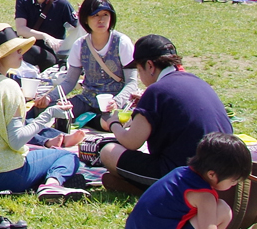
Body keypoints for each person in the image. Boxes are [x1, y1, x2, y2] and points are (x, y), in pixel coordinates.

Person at [0, 24, 83, 198]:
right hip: (1, 176)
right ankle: (51, 185)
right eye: (16, 49)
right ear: (0, 55)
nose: (22, 52)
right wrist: (49, 114)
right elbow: (16, 141)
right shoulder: (8, 86)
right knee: (67, 157)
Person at [119, 134, 257, 229]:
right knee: (223, 210)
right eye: (234, 180)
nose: (234, 184)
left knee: (215, 213)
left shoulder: (181, 173)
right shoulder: (204, 196)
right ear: (212, 174)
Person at [97, 35, 233, 193]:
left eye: (139, 70)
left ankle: (144, 189)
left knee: (108, 152)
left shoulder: (156, 91)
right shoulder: (196, 81)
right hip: (223, 172)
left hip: (184, 175)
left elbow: (131, 142)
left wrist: (114, 123)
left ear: (150, 66)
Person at [61, 0, 134, 96]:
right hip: (88, 98)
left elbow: (132, 82)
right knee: (50, 111)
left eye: (105, 15)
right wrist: (49, 98)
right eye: (96, 15)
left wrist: (116, 102)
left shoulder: (122, 42)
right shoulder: (80, 45)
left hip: (115, 101)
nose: (101, 20)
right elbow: (69, 82)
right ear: (85, 19)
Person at [15, 0, 77, 71]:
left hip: (52, 53)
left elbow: (77, 30)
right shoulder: (24, 0)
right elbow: (21, 29)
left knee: (34, 52)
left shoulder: (61, 4)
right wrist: (46, 36)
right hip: (30, 46)